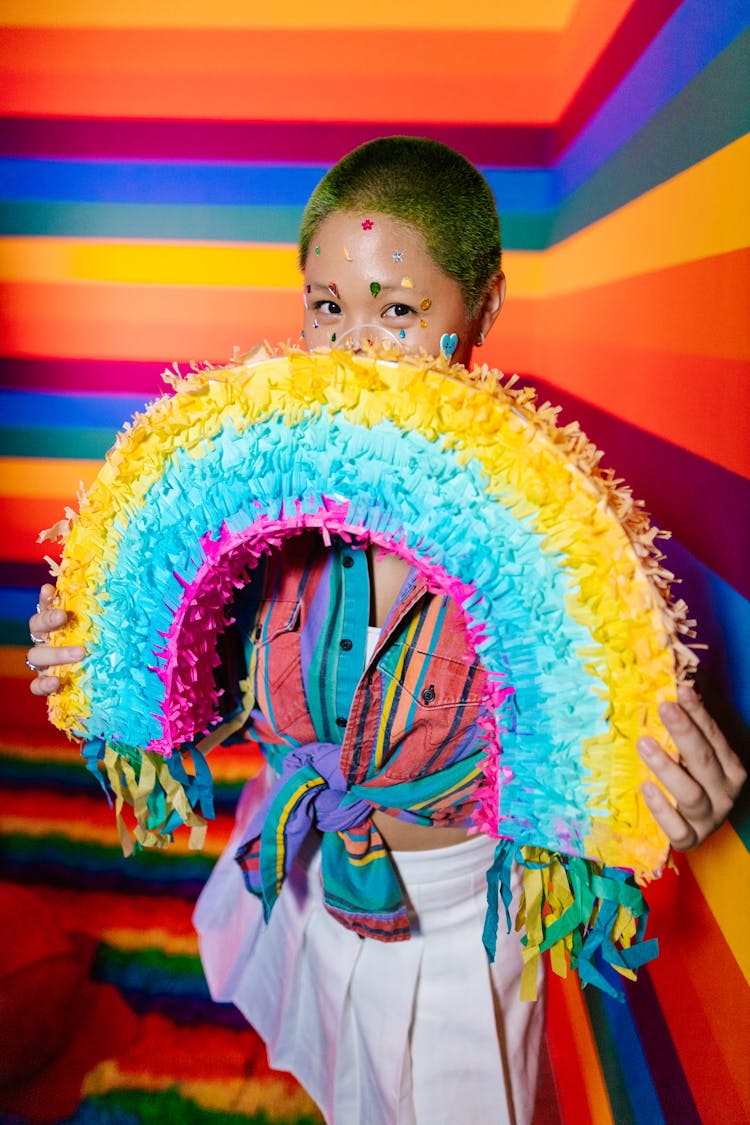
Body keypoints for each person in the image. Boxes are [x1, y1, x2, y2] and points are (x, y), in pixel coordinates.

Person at [26, 137, 746, 1124]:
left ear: (483, 309)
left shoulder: (558, 552)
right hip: (314, 883)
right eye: (330, 309)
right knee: (340, 1087)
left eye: (399, 311)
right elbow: (212, 691)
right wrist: (98, 649)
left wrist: (671, 803)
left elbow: (609, 759)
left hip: (459, 932)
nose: (357, 351)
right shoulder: (271, 524)